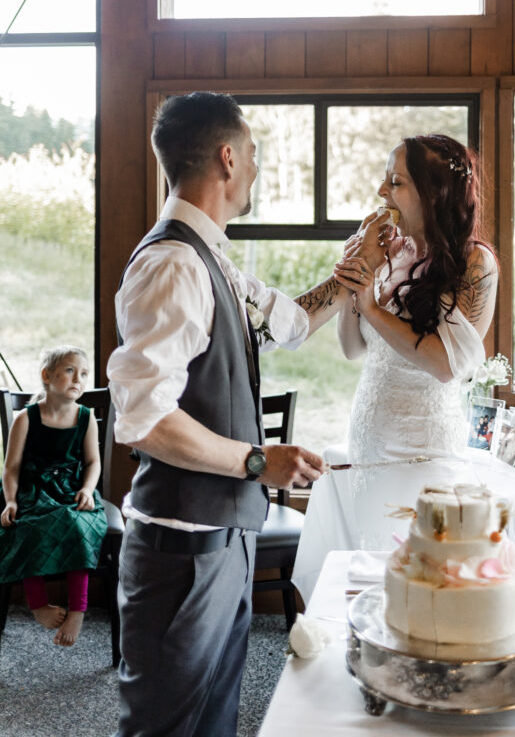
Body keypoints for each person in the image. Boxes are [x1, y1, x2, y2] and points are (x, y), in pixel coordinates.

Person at [107, 91, 383, 737]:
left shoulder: (212, 258)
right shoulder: (172, 264)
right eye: (253, 155)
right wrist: (259, 461)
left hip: (220, 534)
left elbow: (285, 322)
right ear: (228, 158)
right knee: (168, 724)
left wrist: (352, 275)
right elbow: (144, 418)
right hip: (180, 546)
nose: (256, 169)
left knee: (212, 720)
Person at [292, 133, 498, 601]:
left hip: (420, 453)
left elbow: (445, 365)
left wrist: (371, 305)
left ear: (434, 192)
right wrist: (355, 279)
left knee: (417, 585)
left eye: (395, 182)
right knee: (366, 584)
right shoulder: (395, 254)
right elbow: (352, 347)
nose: (382, 193)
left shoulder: (475, 264)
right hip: (368, 440)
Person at [0, 345, 107, 647]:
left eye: (84, 373)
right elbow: (11, 466)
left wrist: (87, 489)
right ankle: (37, 604)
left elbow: (93, 462)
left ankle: (78, 609)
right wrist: (10, 500)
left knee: (77, 526)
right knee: (28, 526)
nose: (79, 379)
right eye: (71, 370)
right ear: (47, 375)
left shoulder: (85, 418)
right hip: (32, 489)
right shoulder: (26, 418)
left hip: (72, 489)